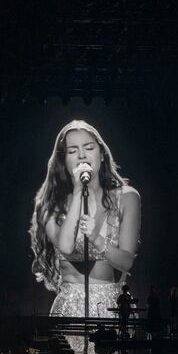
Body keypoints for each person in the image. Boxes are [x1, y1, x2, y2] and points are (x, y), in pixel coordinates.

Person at [30, 120, 141, 319]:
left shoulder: (127, 197)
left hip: (111, 310)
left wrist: (96, 238)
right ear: (63, 161)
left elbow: (126, 262)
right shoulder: (50, 205)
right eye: (72, 151)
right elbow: (65, 246)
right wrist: (78, 190)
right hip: (69, 310)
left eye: (89, 148)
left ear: (102, 154)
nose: (82, 155)